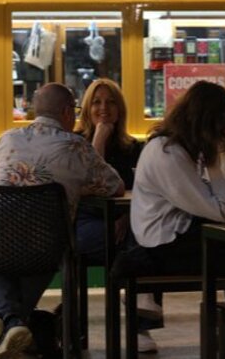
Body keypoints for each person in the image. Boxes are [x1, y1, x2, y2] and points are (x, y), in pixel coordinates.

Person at [0, 83, 125, 359]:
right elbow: (115, 187)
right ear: (67, 112)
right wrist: (76, 186)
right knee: (49, 242)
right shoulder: (76, 147)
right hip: (44, 246)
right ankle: (12, 323)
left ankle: (7, 322)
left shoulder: (7, 138)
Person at [120, 81, 225, 322]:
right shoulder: (168, 154)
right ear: (208, 123)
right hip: (164, 248)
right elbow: (223, 212)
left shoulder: (177, 148)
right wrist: (220, 159)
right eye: (223, 128)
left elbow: (218, 205)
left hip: (173, 237)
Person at [73, 79, 161, 352]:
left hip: (127, 223)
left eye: (110, 102)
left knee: (150, 235)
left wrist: (123, 217)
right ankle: (141, 307)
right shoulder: (75, 143)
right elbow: (93, 182)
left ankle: (141, 324)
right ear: (87, 108)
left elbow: (145, 192)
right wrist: (99, 137)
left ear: (120, 108)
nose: (104, 108)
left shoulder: (133, 147)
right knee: (139, 244)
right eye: (97, 102)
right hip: (84, 223)